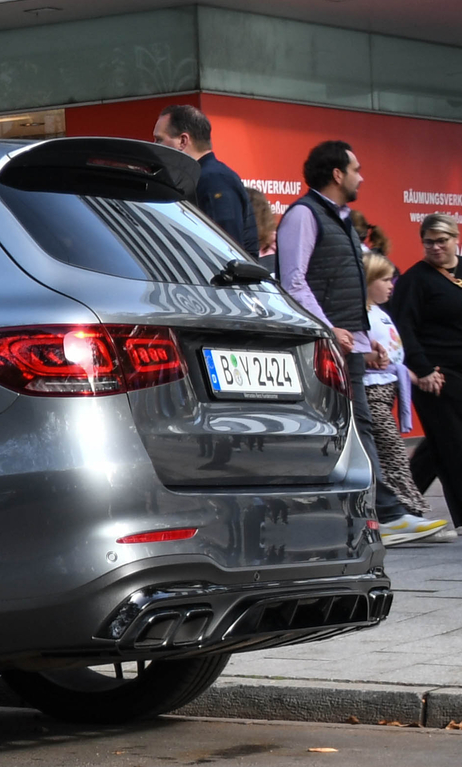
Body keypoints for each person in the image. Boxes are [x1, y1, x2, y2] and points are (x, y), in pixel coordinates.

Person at [276, 142, 444, 545]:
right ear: (337, 174)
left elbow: (348, 290)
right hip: (324, 345)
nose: (361, 176)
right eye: (356, 169)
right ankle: (383, 513)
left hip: (347, 346)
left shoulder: (340, 219)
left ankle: (379, 513)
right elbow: (293, 281)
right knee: (345, 429)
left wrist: (365, 344)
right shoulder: (303, 215)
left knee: (357, 428)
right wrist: (328, 328)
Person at [391, 213, 462, 536]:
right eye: (429, 242)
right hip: (439, 372)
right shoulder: (415, 280)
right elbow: (404, 329)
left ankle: (394, 506)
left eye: (442, 240)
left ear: (456, 239)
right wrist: (423, 369)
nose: (436, 247)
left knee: (444, 441)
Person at [360, 257, 432, 527]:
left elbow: (392, 359)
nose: (392, 286)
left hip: (385, 389)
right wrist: (371, 358)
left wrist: (411, 375)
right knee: (392, 451)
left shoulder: (380, 311)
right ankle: (402, 510)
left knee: (390, 451)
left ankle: (404, 509)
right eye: (385, 280)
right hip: (372, 391)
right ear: (367, 282)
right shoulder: (363, 315)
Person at [152, 104, 254, 254]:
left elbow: (224, 252)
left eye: (159, 140)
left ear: (183, 141)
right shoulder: (203, 178)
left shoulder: (214, 180)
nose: (154, 146)